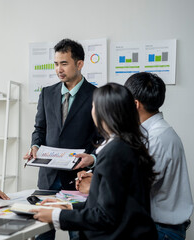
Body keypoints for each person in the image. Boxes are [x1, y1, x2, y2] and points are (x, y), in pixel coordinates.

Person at [31, 83, 158, 240]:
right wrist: (67, 206)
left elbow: (106, 216)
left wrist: (56, 215)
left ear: (102, 113)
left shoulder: (115, 152)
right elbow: (112, 205)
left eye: (93, 107)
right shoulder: (128, 144)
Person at [24, 38, 99, 191]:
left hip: (79, 177)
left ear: (79, 64)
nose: (59, 69)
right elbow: (39, 128)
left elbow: (102, 137)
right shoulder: (47, 93)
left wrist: (93, 159)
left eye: (64, 64)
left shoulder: (96, 95)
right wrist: (35, 145)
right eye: (56, 64)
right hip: (48, 178)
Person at [124, 72, 193, 240]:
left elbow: (137, 186)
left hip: (162, 231)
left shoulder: (157, 138)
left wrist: (97, 184)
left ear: (135, 104)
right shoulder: (150, 132)